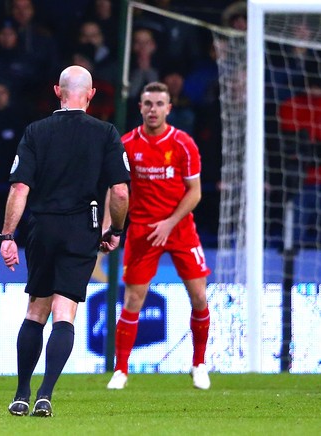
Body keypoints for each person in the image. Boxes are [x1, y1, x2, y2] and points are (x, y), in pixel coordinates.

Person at [0, 65, 130, 417]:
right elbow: (119, 190)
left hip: (42, 227)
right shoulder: (105, 132)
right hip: (81, 227)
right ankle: (45, 393)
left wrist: (8, 234)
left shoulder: (35, 132)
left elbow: (19, 188)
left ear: (57, 91)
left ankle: (21, 392)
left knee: (35, 310)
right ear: (90, 95)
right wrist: (115, 230)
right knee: (64, 313)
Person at [107, 82, 211, 391]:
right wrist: (109, 226)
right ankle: (121, 370)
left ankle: (199, 364)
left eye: (159, 104)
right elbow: (115, 188)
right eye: (148, 103)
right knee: (133, 299)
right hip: (142, 229)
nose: (153, 109)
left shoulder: (183, 143)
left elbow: (195, 192)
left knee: (199, 296)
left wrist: (170, 222)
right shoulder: (126, 144)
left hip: (180, 229)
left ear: (169, 108)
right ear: (140, 107)